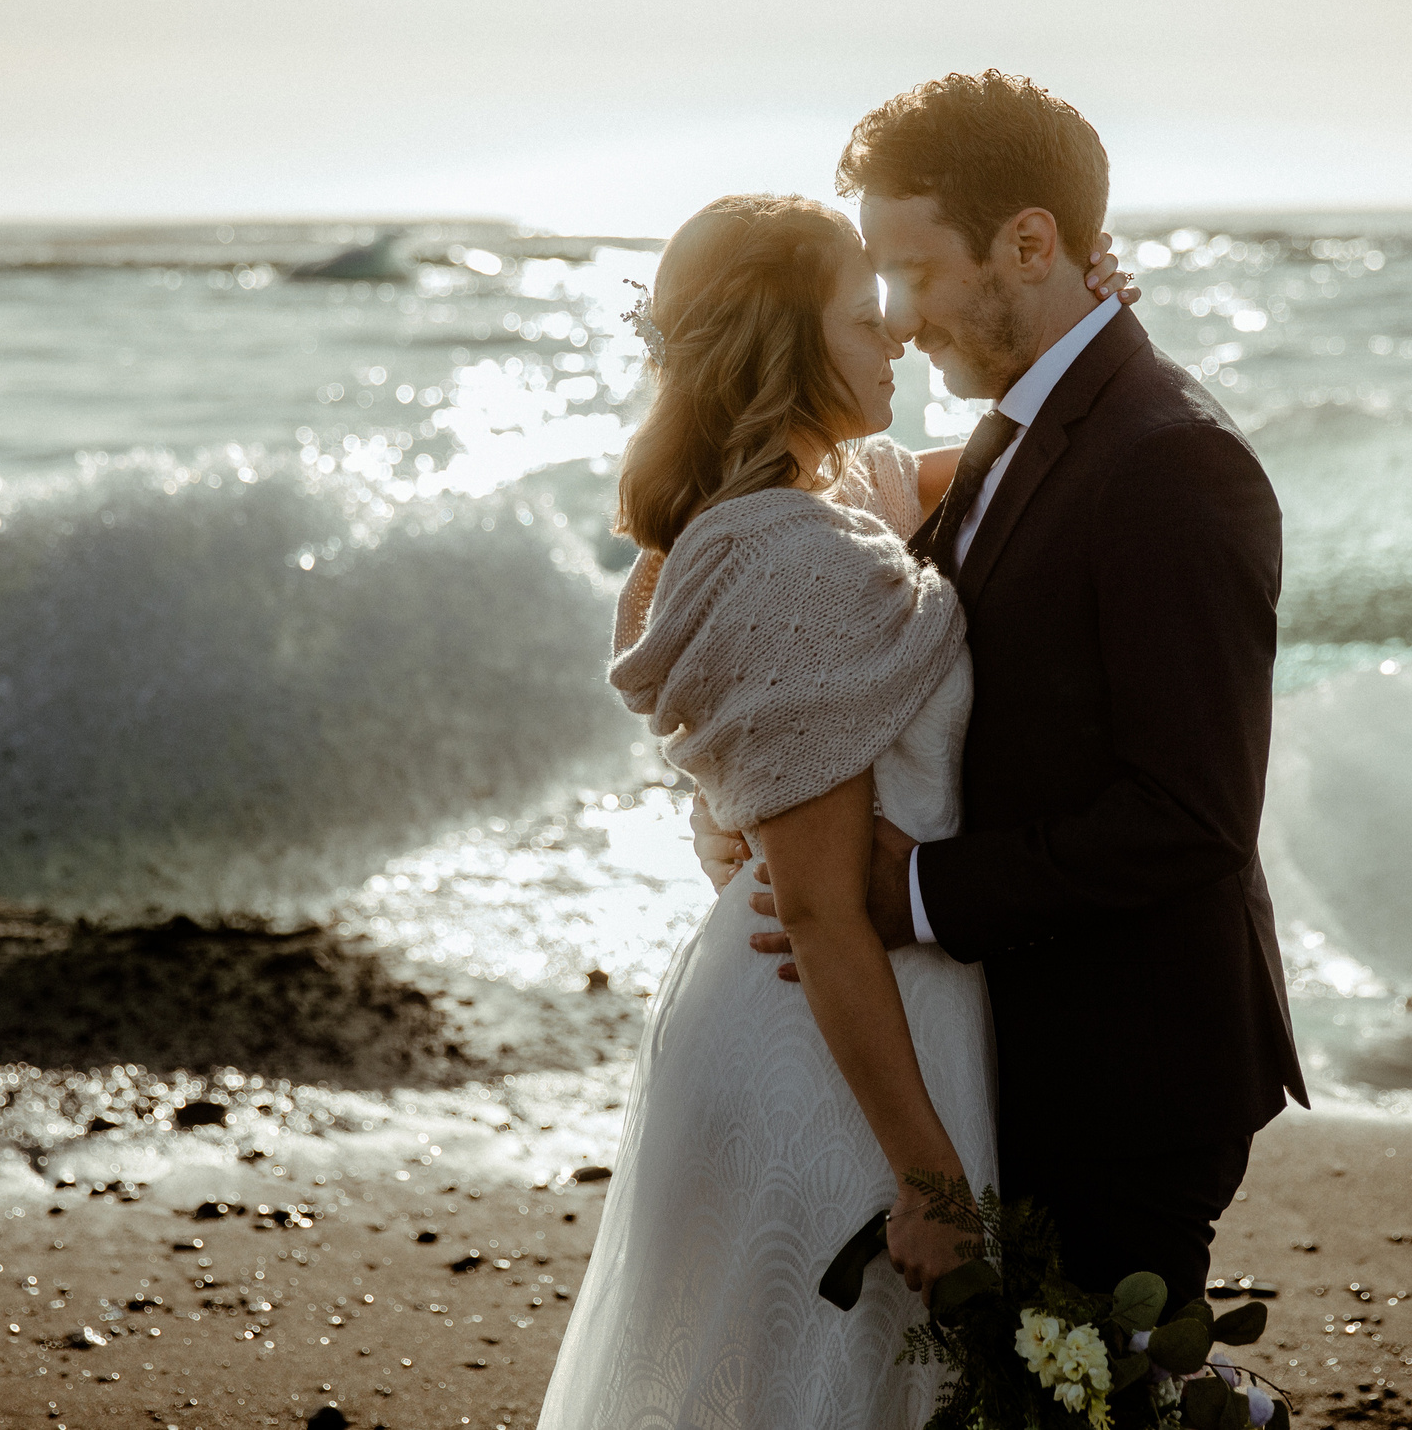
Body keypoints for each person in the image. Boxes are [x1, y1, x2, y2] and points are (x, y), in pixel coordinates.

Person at [714, 72, 1308, 1354]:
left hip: (1128, 1061)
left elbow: (1188, 815)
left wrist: (910, 891)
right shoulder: (1024, 422)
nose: (898, 314)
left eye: (914, 271)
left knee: (1085, 1392)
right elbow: (803, 539)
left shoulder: (1171, 464)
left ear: (1028, 244)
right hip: (1029, 1038)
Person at [536, 189, 1136, 1428]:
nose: (902, 337)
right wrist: (928, 1183)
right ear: (789, 352)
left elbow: (986, 475)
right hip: (829, 1050)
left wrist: (1088, 324)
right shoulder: (797, 565)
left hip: (870, 1013)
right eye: (867, 318)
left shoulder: (818, 503)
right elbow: (816, 908)